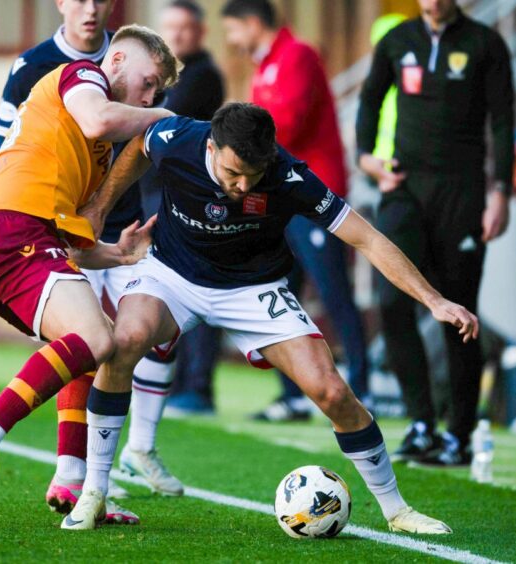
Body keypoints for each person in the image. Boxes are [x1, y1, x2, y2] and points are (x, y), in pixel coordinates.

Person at [62, 103, 478, 532]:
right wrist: (98, 207)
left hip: (253, 288)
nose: (242, 186)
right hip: (172, 274)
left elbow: (368, 240)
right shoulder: (176, 138)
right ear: (211, 146)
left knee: (332, 392)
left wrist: (434, 301)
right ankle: (94, 491)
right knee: (124, 342)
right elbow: (139, 147)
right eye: (233, 173)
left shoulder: (288, 176)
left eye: (253, 175)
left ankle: (397, 511)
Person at [0, 25, 179, 523]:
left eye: (158, 92)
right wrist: (166, 117)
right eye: (149, 81)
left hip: (16, 244)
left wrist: (117, 253)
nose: (151, 96)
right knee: (96, 337)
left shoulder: (91, 157)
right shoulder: (82, 76)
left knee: (97, 344)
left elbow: (72, 245)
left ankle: (73, 481)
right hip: (11, 235)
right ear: (116, 62)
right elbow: (100, 119)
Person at [0, 0, 165, 508]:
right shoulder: (32, 67)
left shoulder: (138, 63)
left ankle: (141, 448)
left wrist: (107, 205)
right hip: (58, 223)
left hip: (127, 225)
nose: (91, 9)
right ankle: (72, 471)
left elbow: (146, 137)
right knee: (86, 339)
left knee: (152, 331)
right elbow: (8, 147)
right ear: (60, 3)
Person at [356, 0, 514, 466]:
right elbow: (369, 100)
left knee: (459, 308)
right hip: (404, 188)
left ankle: (458, 435)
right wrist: (367, 159)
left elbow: (503, 121)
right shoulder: (397, 40)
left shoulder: (485, 43)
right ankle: (421, 422)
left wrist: (501, 191)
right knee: (391, 300)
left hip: (462, 193)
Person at [221, 0, 371, 422]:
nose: (231, 40)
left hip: (312, 197)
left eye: (233, 29)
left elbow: (287, 125)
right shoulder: (266, 63)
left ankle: (362, 386)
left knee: (333, 291)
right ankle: (291, 395)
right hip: (282, 202)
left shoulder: (297, 56)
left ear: (252, 23)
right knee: (278, 293)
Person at [116, 0, 226, 491]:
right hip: (141, 200)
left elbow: (161, 124)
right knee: (116, 331)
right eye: (171, 28)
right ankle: (91, 466)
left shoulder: (202, 76)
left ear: (199, 32)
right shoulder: (147, 83)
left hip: (181, 201)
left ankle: (191, 392)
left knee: (179, 307)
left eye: (185, 28)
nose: (178, 35)